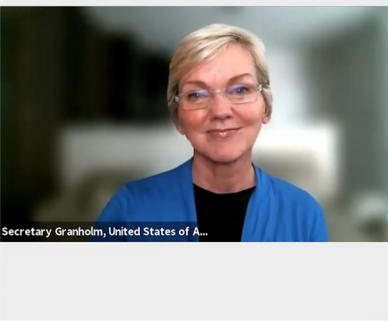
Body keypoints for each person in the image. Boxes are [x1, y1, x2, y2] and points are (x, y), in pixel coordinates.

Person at [96, 24, 328, 241]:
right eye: (196, 94)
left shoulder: (303, 214)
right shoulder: (129, 209)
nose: (220, 111)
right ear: (178, 117)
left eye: (240, 90)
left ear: (266, 107)